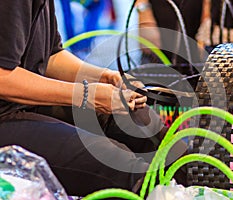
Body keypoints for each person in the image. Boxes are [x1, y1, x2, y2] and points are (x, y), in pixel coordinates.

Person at [0, 0, 187, 196]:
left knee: (137, 121)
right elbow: (4, 78)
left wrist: (107, 77)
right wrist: (86, 95)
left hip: (22, 104)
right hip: (5, 115)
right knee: (118, 162)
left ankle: (201, 185)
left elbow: (51, 56)